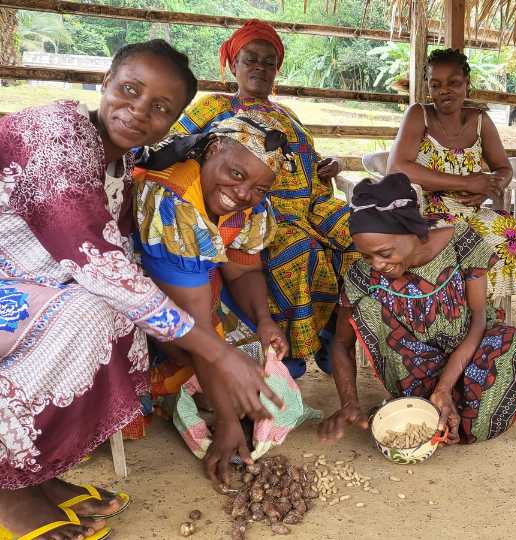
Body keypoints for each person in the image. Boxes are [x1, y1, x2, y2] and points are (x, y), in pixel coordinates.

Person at [0, 40, 283, 540]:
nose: (138, 111)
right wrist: (222, 355)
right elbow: (101, 265)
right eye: (129, 90)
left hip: (22, 287)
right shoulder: (58, 135)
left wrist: (228, 346)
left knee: (119, 320)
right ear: (104, 83)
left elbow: (137, 279)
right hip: (19, 288)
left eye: (160, 107)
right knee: (86, 314)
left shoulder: (119, 172)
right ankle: (7, 490)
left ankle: (33, 475)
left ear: (173, 121)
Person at [172, 19, 359, 378]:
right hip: (257, 212)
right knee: (299, 251)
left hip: (311, 205)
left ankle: (338, 340)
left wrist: (327, 165)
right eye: (250, 59)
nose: (260, 67)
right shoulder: (212, 109)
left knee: (360, 235)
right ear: (233, 64)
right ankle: (294, 351)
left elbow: (306, 161)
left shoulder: (287, 115)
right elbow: (175, 149)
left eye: (268, 62)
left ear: (277, 69)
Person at [318, 173, 516, 445]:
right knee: (365, 305)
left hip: (471, 348)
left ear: (412, 230)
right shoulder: (362, 277)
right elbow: (341, 345)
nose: (376, 264)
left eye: (385, 253)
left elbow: (478, 319)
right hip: (416, 369)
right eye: (367, 255)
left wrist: (445, 387)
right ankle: (436, 401)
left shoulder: (460, 242)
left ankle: (442, 398)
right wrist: (349, 402)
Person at [134, 110, 293, 481]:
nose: (243, 194)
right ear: (214, 148)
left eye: (258, 188)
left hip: (192, 289)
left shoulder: (250, 204)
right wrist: (227, 422)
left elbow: (243, 268)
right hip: (138, 300)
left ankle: (198, 390)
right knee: (213, 367)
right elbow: (194, 325)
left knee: (252, 356)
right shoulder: (171, 200)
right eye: (236, 174)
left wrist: (265, 319)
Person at [388, 48, 516, 298]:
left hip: (471, 213)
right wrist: (467, 182)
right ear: (428, 87)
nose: (444, 90)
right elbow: (397, 169)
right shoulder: (418, 115)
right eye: (436, 84)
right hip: (427, 213)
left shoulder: (480, 121)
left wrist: (490, 186)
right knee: (461, 252)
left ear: (467, 84)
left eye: (453, 83)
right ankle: (455, 317)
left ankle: (483, 313)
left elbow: (504, 168)